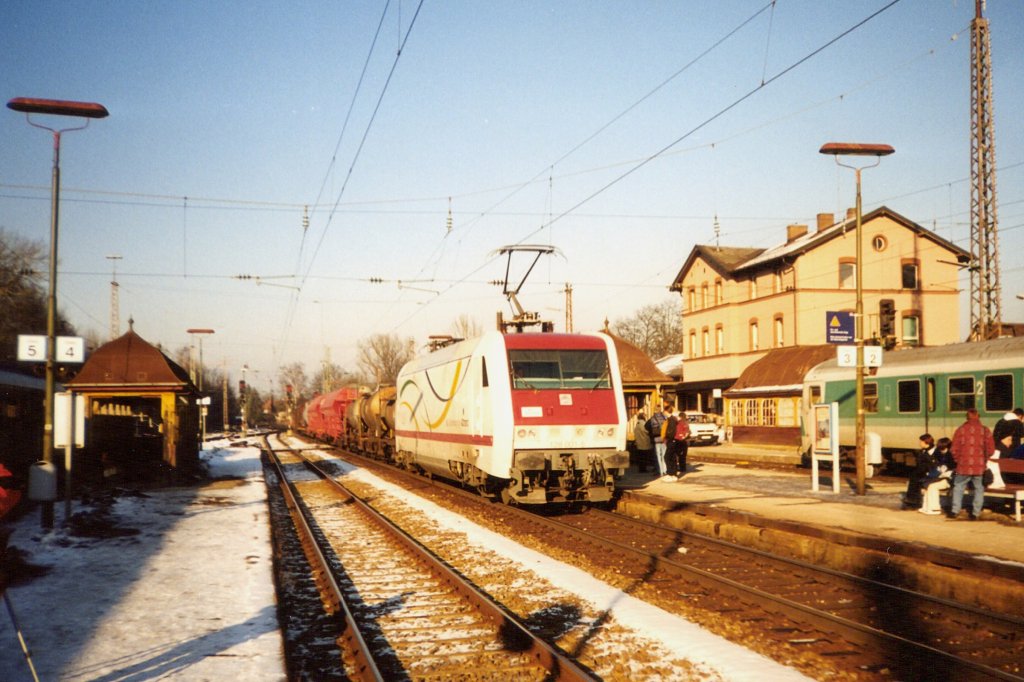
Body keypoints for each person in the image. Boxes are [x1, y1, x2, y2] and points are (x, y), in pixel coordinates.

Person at [949, 408, 995, 520]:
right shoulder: (985, 430)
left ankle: (955, 511)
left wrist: (958, 460)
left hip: (963, 466)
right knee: (979, 488)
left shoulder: (961, 430)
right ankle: (975, 513)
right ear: (978, 417)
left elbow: (954, 449)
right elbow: (991, 450)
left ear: (967, 417)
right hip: (979, 467)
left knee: (958, 487)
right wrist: (984, 459)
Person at [918, 437, 954, 515]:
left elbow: (952, 469)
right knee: (928, 484)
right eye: (940, 449)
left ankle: (935, 509)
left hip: (949, 479)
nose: (941, 451)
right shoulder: (941, 454)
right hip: (941, 477)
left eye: (943, 449)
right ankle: (926, 507)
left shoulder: (952, 457)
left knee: (932, 486)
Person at [902, 434, 936, 509]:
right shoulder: (922, 452)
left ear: (926, 442)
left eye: (921, 442)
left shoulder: (934, 452)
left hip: (932, 473)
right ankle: (912, 500)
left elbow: (932, 465)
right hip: (923, 472)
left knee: (915, 478)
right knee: (914, 477)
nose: (919, 443)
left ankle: (912, 501)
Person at [648, 404, 669, 477]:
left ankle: (660, 471)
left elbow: (647, 427)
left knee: (658, 456)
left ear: (654, 410)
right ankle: (665, 470)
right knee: (664, 455)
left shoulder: (652, 418)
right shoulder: (665, 417)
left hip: (656, 439)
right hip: (664, 438)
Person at [662, 404, 681, 479]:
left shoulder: (671, 420)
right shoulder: (672, 419)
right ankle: (673, 474)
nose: (663, 413)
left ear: (666, 411)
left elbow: (671, 431)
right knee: (672, 457)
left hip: (671, 440)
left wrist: (667, 436)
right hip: (673, 440)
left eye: (664, 411)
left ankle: (670, 473)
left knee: (667, 457)